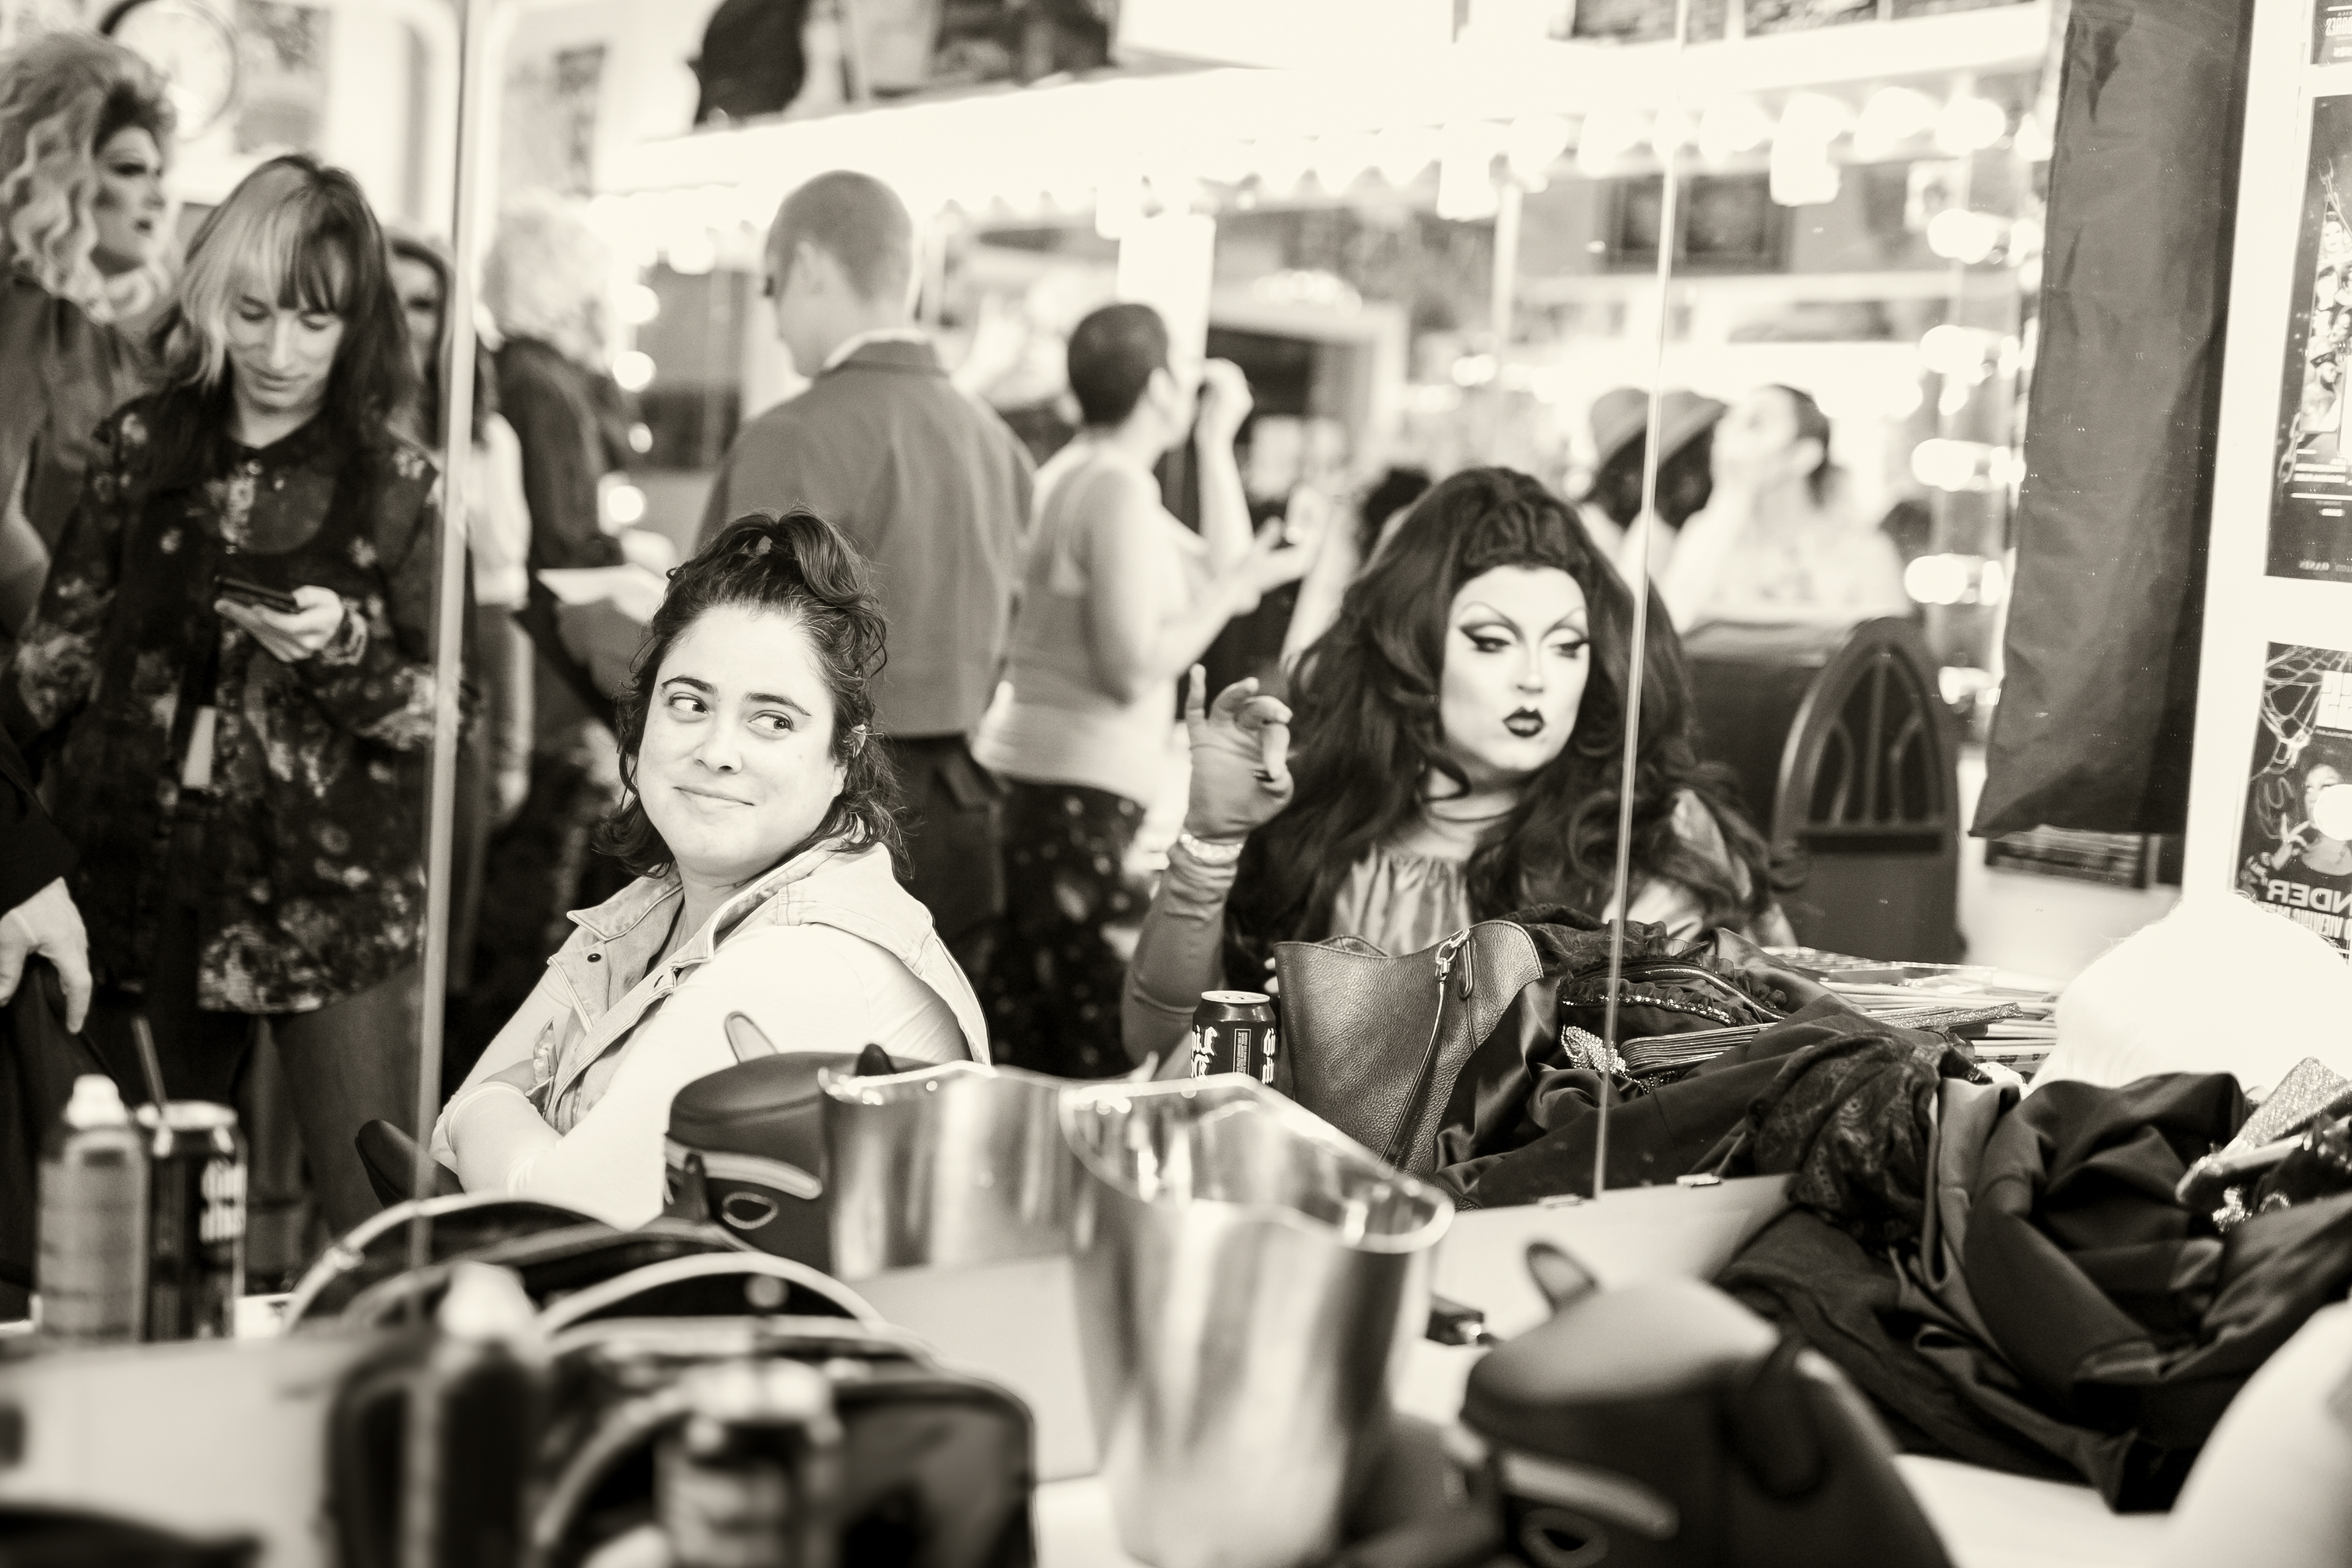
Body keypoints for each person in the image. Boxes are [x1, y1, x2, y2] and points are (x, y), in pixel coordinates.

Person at [2, 154, 444, 1235]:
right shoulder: (140, 445)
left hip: (330, 896)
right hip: (135, 879)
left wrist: (339, 651)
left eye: (314, 322)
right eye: (252, 314)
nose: (279, 353)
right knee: (129, 1220)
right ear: (210, 300)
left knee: (382, 1213)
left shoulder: (399, 483)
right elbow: (54, 660)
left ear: (357, 322)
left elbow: (445, 711)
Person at [1122, 467, 1791, 1069]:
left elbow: (1688, 1081)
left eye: (1567, 647)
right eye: (1493, 642)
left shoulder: (1645, 838)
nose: (1535, 678)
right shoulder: (1324, 829)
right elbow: (1163, 1049)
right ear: (1414, 650)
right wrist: (1211, 840)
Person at [434, 511, 987, 1227]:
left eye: (773, 720)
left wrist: (492, 1105)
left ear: (841, 758)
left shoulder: (808, 956)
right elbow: (447, 1146)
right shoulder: (657, 905)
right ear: (643, 722)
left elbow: (562, 1216)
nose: (718, 750)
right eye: (690, 703)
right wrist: (491, 1124)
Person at [698, 170, 1033, 988]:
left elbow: (724, 657)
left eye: (771, 287)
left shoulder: (794, 436)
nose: (775, 320)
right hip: (962, 820)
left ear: (810, 268)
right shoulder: (999, 445)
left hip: (825, 827)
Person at [973, 303, 1316, 1076]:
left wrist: (1214, 442)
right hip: (1071, 796)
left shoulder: (1079, 474)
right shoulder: (1116, 490)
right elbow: (1132, 666)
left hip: (1034, 783)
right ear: (1161, 386)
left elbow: (1228, 569)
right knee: (1090, 1049)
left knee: (1031, 1035)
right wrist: (1228, 590)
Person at [387, 228, 534, 1065]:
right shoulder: (332, 434)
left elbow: (503, 607)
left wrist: (510, 748)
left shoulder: (485, 440)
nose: (407, 322)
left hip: (458, 705)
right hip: (356, 717)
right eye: (392, 301)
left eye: (425, 303)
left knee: (439, 947)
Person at [0, 32, 174, 636]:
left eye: (160, 172)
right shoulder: (27, 315)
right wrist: (66, 651)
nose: (158, 196)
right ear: (62, 174)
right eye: (129, 169)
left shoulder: (107, 342)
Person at [1656, 384, 1909, 632]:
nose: (1730, 436)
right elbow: (1672, 626)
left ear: (1803, 455)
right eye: (1728, 423)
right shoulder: (1705, 533)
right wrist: (1730, 497)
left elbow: (1890, 647)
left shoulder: (1864, 552)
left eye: (1755, 423)